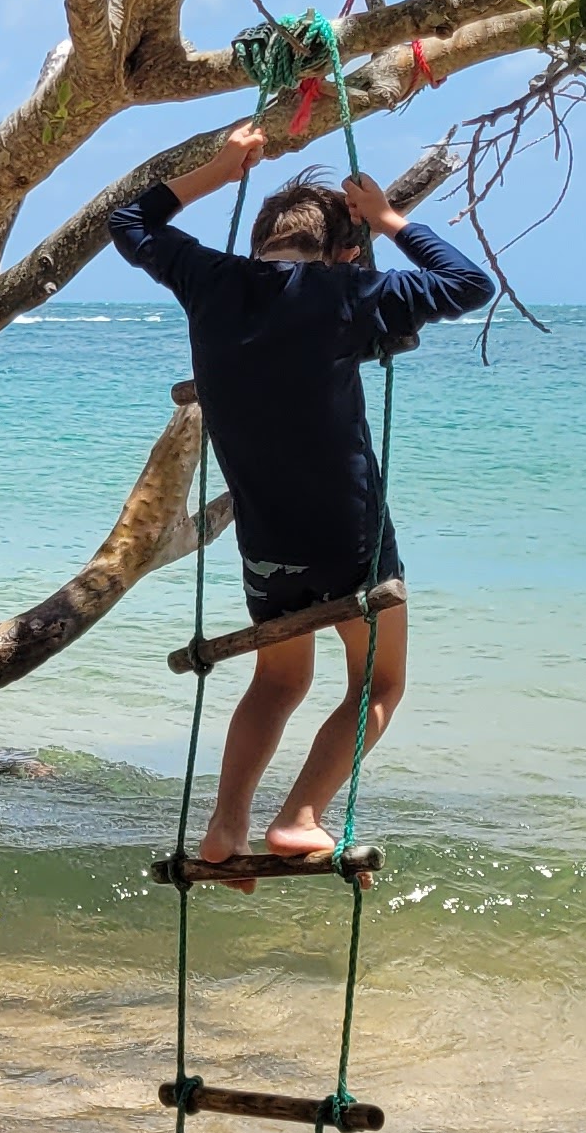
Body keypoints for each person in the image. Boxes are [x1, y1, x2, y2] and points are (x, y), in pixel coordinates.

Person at [109, 120, 492, 883]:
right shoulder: (351, 292)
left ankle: (225, 826)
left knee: (278, 680)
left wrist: (219, 169)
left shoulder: (211, 281)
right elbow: (468, 285)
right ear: (346, 251)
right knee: (380, 684)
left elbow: (127, 220)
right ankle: (300, 816)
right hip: (348, 538)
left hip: (266, 545)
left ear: (261, 243)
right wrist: (391, 219)